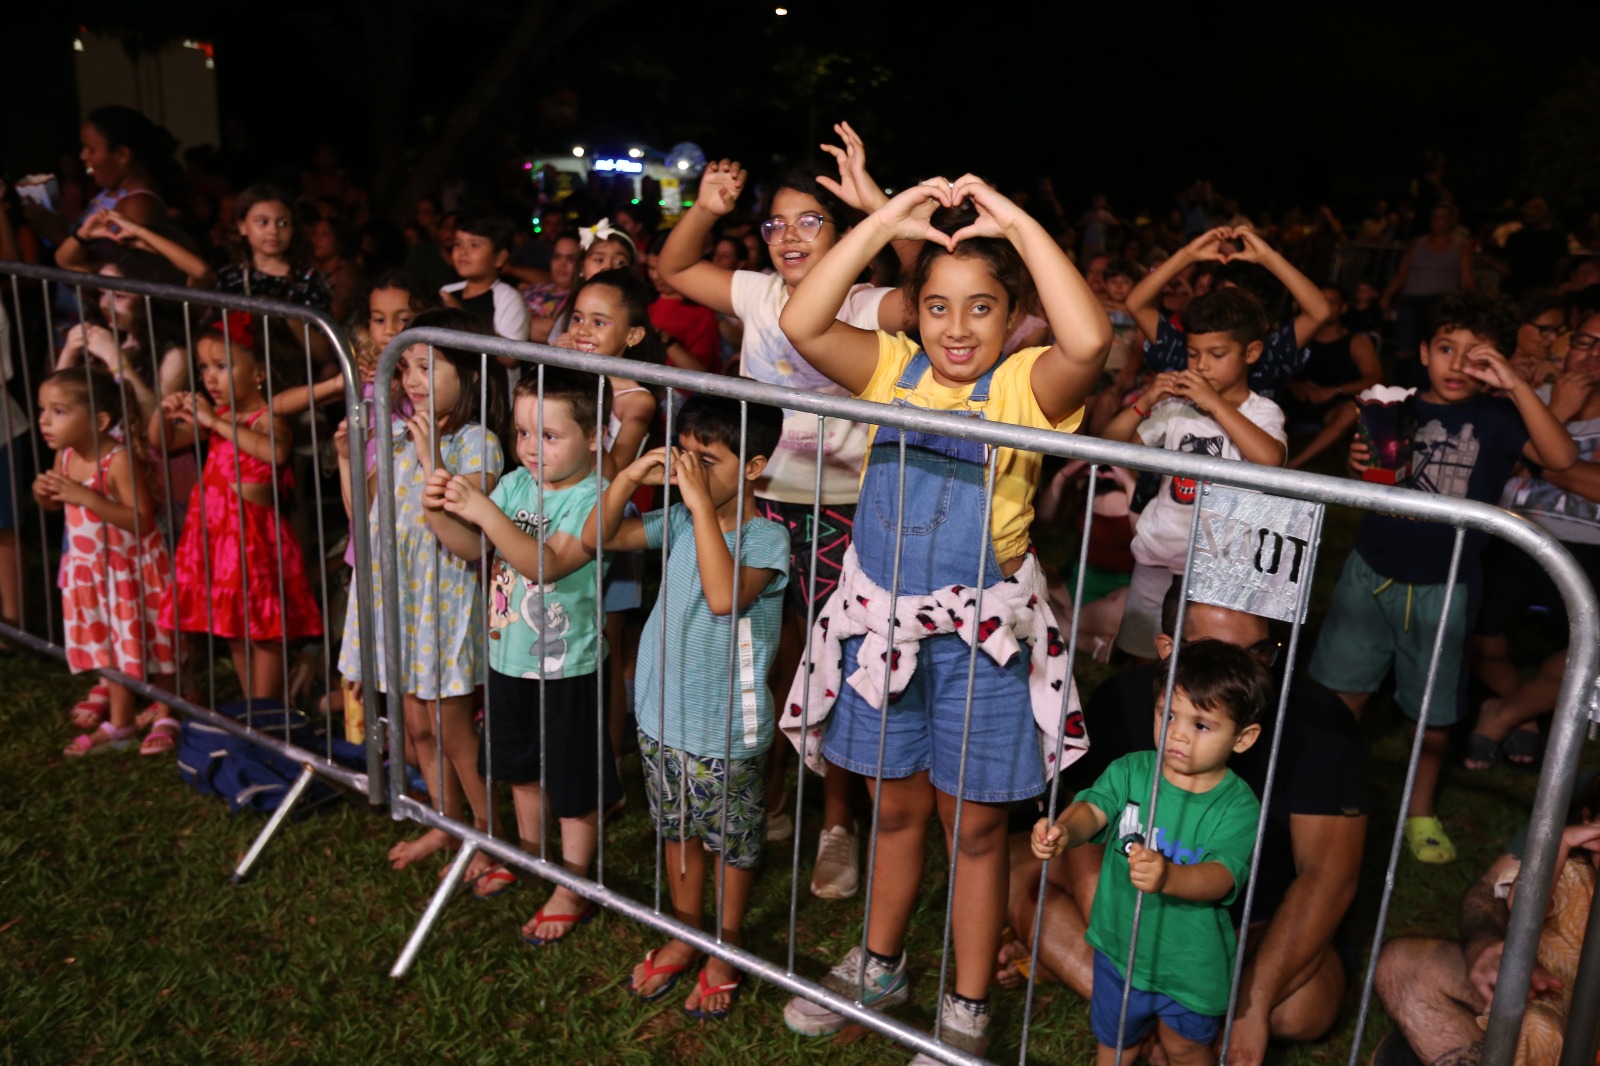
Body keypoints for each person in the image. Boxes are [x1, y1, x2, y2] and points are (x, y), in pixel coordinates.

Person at [775, 176, 1108, 1062]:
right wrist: (884, 222)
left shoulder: (1029, 389)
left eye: (981, 308)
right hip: (884, 634)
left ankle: (966, 1009)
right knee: (893, 812)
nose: (957, 329)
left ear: (1013, 318)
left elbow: (1092, 336)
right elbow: (802, 322)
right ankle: (880, 965)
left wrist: (1020, 226)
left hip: (981, 645)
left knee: (977, 827)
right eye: (937, 307)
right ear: (912, 313)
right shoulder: (890, 371)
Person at [656, 126, 917, 899]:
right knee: (761, 656)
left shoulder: (870, 304)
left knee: (832, 661)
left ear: (847, 239)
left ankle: (837, 822)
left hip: (846, 512)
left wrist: (880, 207)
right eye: (777, 223)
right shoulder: (758, 293)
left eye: (812, 222)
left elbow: (926, 286)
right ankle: (767, 792)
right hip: (762, 505)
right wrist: (706, 209)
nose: (790, 237)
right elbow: (672, 267)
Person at [1001, 586, 1367, 1066]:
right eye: (1211, 655)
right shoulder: (1130, 709)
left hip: (1236, 936)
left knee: (1304, 1007)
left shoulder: (1316, 724)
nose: (1238, 673)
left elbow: (1327, 875)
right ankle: (1138, 1008)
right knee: (1010, 874)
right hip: (1126, 925)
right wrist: (1069, 841)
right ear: (1168, 651)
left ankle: (1172, 1017)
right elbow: (1092, 812)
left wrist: (1253, 1004)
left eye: (1258, 652)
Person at [1309, 290, 1576, 863]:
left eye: (1476, 355)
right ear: (1424, 350)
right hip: (1370, 573)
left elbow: (1559, 459)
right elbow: (1370, 478)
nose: (1457, 365)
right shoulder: (1394, 406)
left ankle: (1419, 810)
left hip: (1446, 586)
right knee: (1339, 696)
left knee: (1432, 715)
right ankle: (1326, 794)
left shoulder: (1500, 419)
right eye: (1446, 348)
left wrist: (1515, 385)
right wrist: (1358, 467)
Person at [585, 395, 789, 1020]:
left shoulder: (767, 537)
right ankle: (686, 932)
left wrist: (698, 502)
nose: (691, 472)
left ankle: (723, 949)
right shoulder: (677, 518)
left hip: (725, 727)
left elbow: (725, 595)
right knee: (675, 830)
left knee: (730, 844)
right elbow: (597, 535)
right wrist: (625, 477)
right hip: (660, 714)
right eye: (687, 458)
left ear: (753, 467)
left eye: (710, 461)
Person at [431, 368, 620, 925]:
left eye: (549, 435)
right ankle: (531, 857)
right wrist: (436, 506)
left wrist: (486, 511)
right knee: (520, 769)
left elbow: (549, 562)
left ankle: (572, 882)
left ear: (593, 437)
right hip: (508, 658)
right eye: (521, 433)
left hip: (568, 668)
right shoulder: (515, 484)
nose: (531, 449)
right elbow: (471, 546)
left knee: (571, 780)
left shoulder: (598, 499)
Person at [332, 308, 509, 875]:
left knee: (451, 729)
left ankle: (489, 836)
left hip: (443, 602)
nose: (411, 379)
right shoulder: (402, 438)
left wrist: (433, 457)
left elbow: (463, 542)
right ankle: (444, 822)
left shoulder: (478, 444)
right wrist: (344, 460)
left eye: (428, 367)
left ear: (471, 372)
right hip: (398, 600)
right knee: (415, 725)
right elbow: (365, 516)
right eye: (406, 366)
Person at [1032, 639, 1265, 1066]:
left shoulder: (1239, 807)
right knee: (1115, 1043)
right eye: (1168, 713)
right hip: (1120, 952)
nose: (1176, 731)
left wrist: (1170, 878)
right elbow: (1094, 808)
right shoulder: (1131, 770)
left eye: (1201, 724)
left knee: (1185, 1048)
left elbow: (1223, 875)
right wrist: (1065, 828)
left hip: (1191, 969)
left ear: (1243, 738)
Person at [1105, 287, 1288, 661]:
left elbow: (1271, 458)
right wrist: (1147, 400)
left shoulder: (1261, 411)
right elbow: (1111, 444)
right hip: (1161, 553)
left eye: (1217, 355)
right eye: (1193, 354)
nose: (1201, 366)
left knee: (1211, 664)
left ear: (1250, 353)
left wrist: (1215, 405)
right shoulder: (1176, 408)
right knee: (1147, 654)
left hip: (1224, 566)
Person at [1370, 776, 1600, 1066]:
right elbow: (1522, 905)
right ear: (1586, 821)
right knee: (1533, 1024)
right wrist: (1562, 843)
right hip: (1544, 1006)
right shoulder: (1571, 875)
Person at [153, 314, 324, 702]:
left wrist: (214, 421)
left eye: (222, 366)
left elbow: (276, 453)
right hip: (217, 540)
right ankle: (253, 712)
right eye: (203, 368)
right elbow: (162, 443)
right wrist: (161, 415)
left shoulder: (268, 418)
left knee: (265, 630)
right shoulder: (221, 418)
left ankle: (266, 710)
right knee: (234, 628)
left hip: (256, 542)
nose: (209, 378)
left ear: (259, 372)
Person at [1468, 311, 1600, 768]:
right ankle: (1523, 716)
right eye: (1584, 341)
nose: (1593, 355)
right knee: (1477, 623)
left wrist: (1536, 459)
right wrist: (1555, 413)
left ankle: (1504, 713)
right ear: (1566, 345)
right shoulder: (1525, 396)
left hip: (1592, 545)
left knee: (1592, 645)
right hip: (1513, 532)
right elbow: (1482, 471)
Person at [35, 368, 178, 755]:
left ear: (98, 420)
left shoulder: (118, 460)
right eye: (42, 410)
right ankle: (120, 723)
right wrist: (44, 493)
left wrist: (87, 498)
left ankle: (167, 711)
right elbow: (54, 504)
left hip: (130, 571)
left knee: (155, 643)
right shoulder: (64, 456)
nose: (44, 420)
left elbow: (141, 520)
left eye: (58, 411)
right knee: (109, 649)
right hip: (91, 573)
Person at [1128, 227, 1331, 403]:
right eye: (1221, 297)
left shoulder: (1270, 353)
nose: (1202, 364)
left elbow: (1319, 311)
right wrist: (1187, 255)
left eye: (1218, 354)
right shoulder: (1184, 350)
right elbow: (1137, 304)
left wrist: (1269, 258)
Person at [49, 106, 177, 272]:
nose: (82, 156)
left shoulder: (137, 204)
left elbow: (130, 274)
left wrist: (51, 230)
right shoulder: (110, 193)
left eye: (91, 149)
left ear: (122, 155)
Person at [1283, 284, 1383, 469]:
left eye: (1331, 302)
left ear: (1343, 308)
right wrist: (1294, 386)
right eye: (1319, 301)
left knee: (1350, 411)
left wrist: (1335, 390)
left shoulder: (1356, 341)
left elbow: (1375, 379)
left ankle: (1294, 464)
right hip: (1295, 398)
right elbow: (1272, 369)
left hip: (1333, 402)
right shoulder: (1295, 337)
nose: (1325, 308)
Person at [1382, 203, 1474, 388]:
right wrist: (1386, 296)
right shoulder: (1417, 243)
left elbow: (1466, 280)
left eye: (1442, 218)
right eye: (1434, 217)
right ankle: (1400, 391)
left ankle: (1424, 393)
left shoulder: (1460, 246)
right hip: (1412, 300)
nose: (1437, 222)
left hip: (1441, 303)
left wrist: (1469, 306)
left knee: (1432, 348)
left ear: (1451, 221)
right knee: (1403, 349)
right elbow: (1402, 273)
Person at [213, 185, 333, 313]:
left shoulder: (309, 280)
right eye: (263, 222)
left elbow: (323, 332)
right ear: (242, 226)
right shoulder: (229, 277)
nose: (274, 231)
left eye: (283, 223)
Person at [441, 213, 530, 343]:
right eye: (458, 244)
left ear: (499, 258)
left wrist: (461, 319)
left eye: (474, 245)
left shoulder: (507, 298)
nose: (463, 252)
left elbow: (510, 358)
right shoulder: (447, 291)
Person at [646, 234, 719, 374]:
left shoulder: (701, 312)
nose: (655, 276)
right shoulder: (643, 300)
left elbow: (701, 372)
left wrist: (666, 340)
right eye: (650, 268)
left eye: (660, 268)